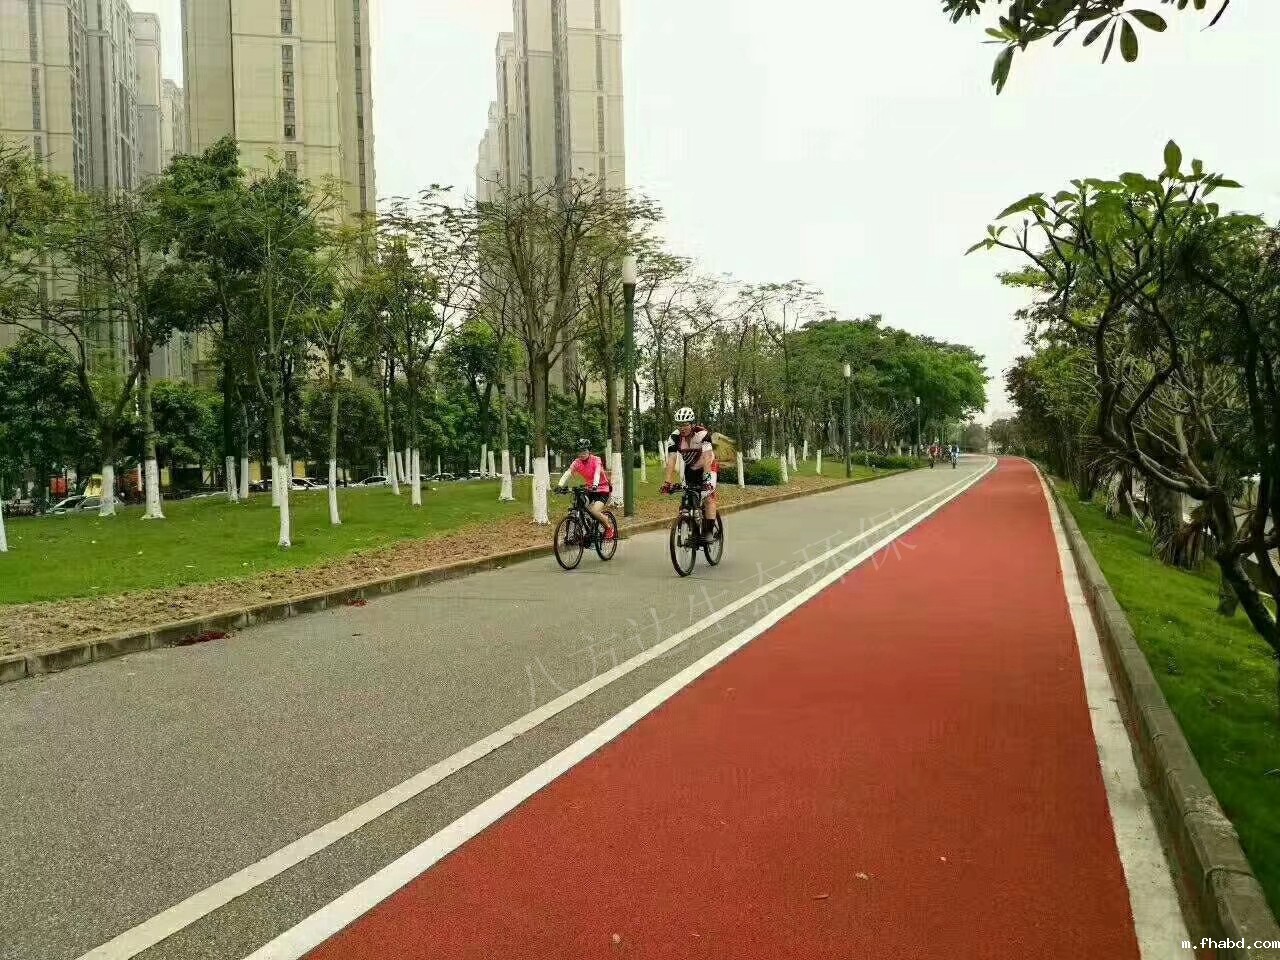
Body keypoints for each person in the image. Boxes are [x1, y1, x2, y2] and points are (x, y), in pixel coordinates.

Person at [662, 407, 719, 542]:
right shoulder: (674, 437)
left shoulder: (702, 434)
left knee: (708, 497)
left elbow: (706, 458)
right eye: (679, 425)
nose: (682, 428)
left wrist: (706, 480)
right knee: (688, 494)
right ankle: (691, 524)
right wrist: (667, 483)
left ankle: (709, 532)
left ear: (692, 424)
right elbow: (671, 459)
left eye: (685, 424)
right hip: (690, 468)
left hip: (708, 466)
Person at [556, 439, 615, 541]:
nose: (582, 454)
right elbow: (568, 473)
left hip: (602, 490)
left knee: (594, 511)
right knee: (580, 505)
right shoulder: (577, 462)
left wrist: (595, 484)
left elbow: (597, 472)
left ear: (589, 451)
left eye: (584, 451)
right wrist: (560, 485)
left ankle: (608, 528)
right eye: (580, 451)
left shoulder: (596, 460)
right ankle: (588, 526)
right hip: (590, 489)